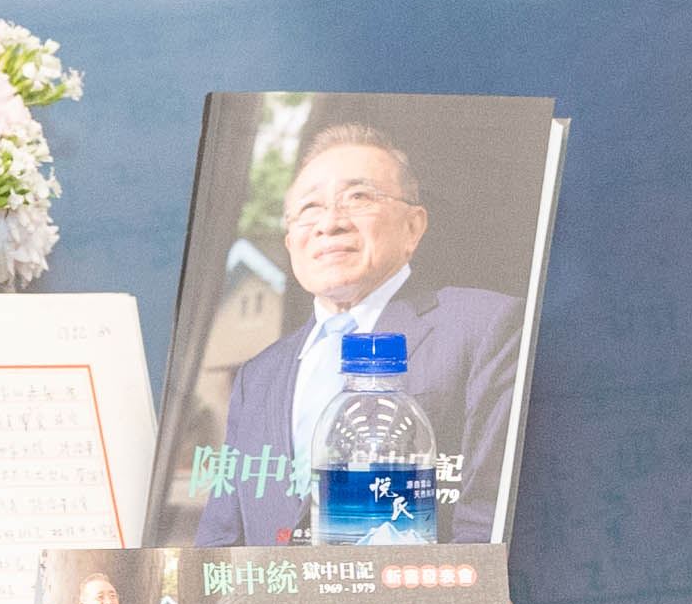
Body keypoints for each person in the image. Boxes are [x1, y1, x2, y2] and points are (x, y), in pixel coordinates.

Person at [192, 122, 530, 542]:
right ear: (291, 241)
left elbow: (487, 523)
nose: (329, 223)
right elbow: (221, 538)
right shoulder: (257, 376)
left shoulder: (483, 327)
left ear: (413, 226)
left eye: (358, 197)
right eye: (309, 208)